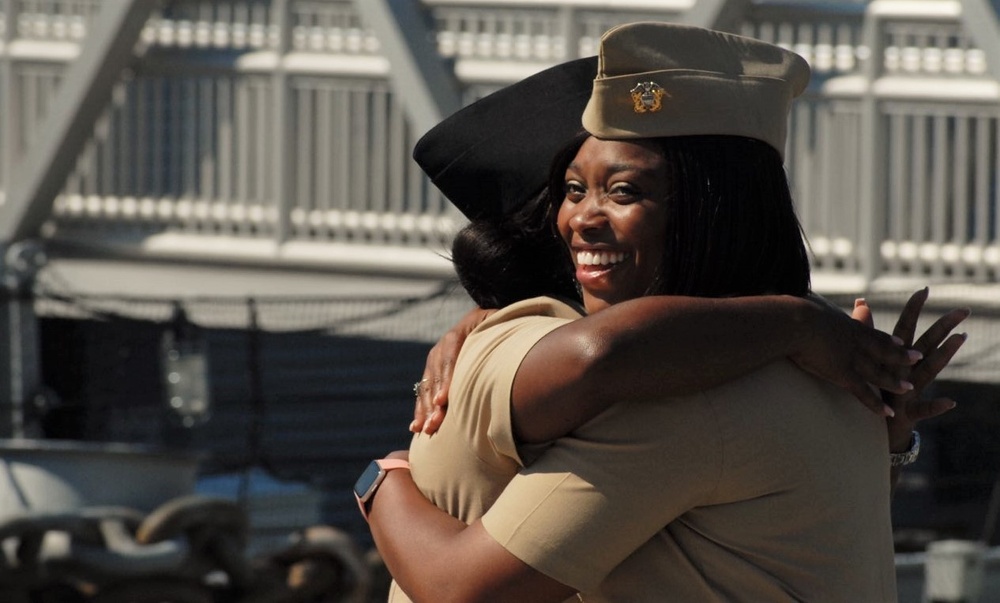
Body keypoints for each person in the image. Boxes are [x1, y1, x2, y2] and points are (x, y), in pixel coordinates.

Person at [357, 23, 968, 602]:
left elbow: (462, 590)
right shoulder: (822, 358)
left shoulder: (679, 391)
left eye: (624, 192)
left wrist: (384, 480)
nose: (583, 219)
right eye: (573, 191)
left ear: (713, 212)